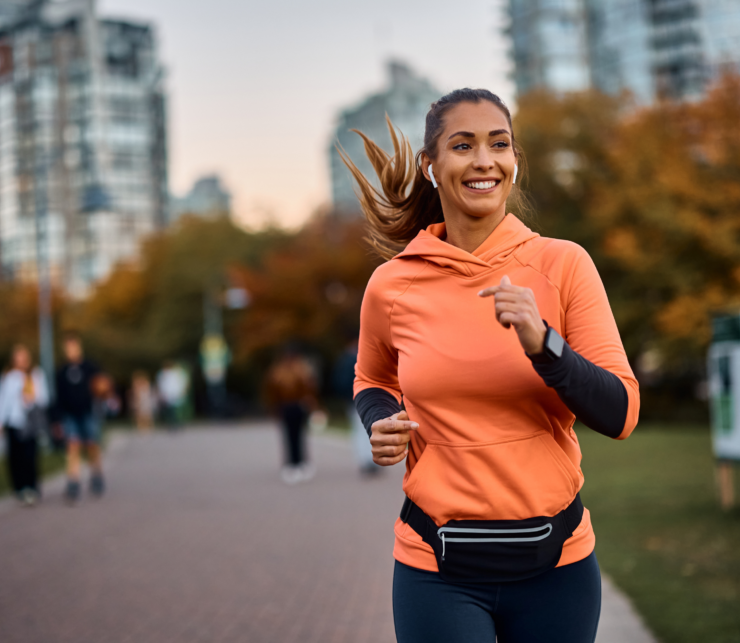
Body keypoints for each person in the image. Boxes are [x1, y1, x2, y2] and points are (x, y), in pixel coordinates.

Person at [343, 89, 640, 643]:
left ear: (514, 162)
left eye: (498, 144)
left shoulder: (563, 264)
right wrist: (380, 419)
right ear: (432, 167)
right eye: (463, 145)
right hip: (436, 568)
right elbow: (372, 377)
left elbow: (621, 413)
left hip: (558, 569)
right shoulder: (392, 284)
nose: (484, 160)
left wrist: (544, 345)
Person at [0, 344, 49, 506]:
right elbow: (1, 399)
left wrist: (32, 398)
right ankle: (19, 488)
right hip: (13, 421)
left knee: (30, 456)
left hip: (30, 422)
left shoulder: (36, 375)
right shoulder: (8, 376)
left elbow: (44, 398)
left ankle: (32, 487)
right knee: (15, 457)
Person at [55, 333, 105, 503]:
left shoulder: (90, 367)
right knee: (73, 446)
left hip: (88, 412)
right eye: (68, 347)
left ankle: (96, 475)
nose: (71, 350)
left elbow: (101, 385)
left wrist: (103, 390)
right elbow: (59, 397)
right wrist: (57, 419)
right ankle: (73, 481)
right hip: (70, 414)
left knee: (92, 445)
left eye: (73, 346)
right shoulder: (61, 371)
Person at [263, 346, 318, 485]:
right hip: (289, 406)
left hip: (293, 406)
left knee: (295, 435)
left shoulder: (283, 371)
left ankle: (297, 462)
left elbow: (309, 389)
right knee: (293, 436)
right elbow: (272, 391)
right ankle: (295, 463)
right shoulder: (296, 370)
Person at [332, 339, 378, 476]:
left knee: (361, 430)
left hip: (356, 399)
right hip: (361, 398)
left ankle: (367, 460)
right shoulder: (354, 360)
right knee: (364, 430)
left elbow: (338, 382)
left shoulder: (345, 360)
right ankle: (368, 460)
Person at [156, 361, 188, 430]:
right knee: (170, 410)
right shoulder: (162, 374)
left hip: (175, 393)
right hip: (167, 394)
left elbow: (180, 383)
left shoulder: (175, 373)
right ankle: (171, 423)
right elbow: (161, 384)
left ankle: (176, 422)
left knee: (175, 409)